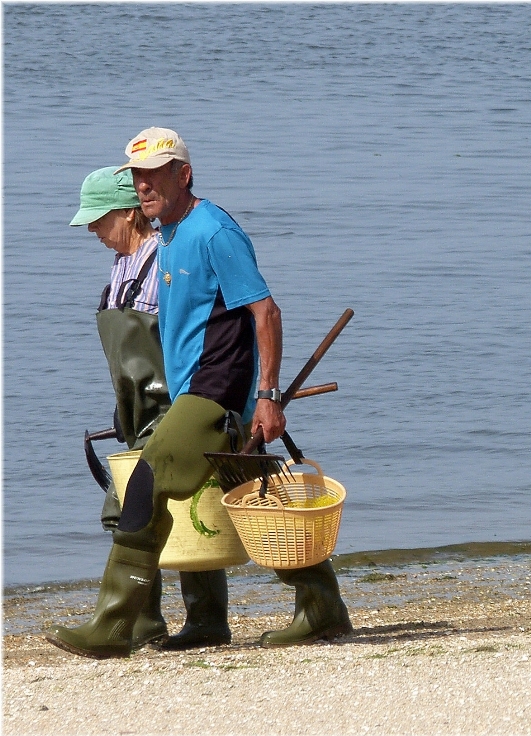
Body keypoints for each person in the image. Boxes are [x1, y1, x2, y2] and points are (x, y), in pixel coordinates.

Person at [47, 128, 352, 659]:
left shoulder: (213, 232)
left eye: (154, 174)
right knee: (251, 499)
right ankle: (316, 607)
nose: (143, 186)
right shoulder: (167, 234)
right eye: (137, 177)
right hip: (194, 389)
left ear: (182, 174)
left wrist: (268, 395)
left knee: (147, 478)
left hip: (219, 388)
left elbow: (266, 312)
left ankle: (117, 623)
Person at [70, 166, 233, 651]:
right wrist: (123, 407)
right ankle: (161, 621)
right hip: (139, 408)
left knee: (148, 506)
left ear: (129, 214)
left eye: (100, 221)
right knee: (165, 506)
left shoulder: (164, 258)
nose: (94, 232)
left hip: (175, 402)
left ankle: (166, 620)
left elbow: (187, 337)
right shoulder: (120, 266)